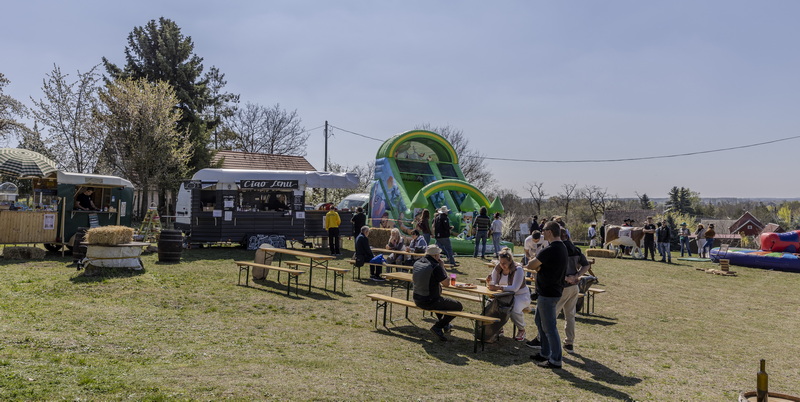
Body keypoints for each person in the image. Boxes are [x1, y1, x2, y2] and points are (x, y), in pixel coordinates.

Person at [528, 229, 592, 354]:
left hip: (561, 287)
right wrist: (577, 275)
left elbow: (554, 270)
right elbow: (586, 265)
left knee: (549, 318)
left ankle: (542, 341)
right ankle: (569, 343)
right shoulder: (575, 249)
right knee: (570, 315)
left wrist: (567, 278)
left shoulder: (557, 250)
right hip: (574, 287)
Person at [525, 221, 568, 369]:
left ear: (550, 231)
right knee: (539, 321)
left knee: (550, 328)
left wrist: (537, 265)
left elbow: (531, 265)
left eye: (544, 230)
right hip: (551, 291)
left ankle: (555, 360)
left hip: (548, 294)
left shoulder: (550, 249)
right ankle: (545, 353)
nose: (542, 232)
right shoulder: (562, 247)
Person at [412, 245, 462, 341]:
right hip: (429, 301)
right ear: (435, 255)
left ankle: (446, 325)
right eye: (439, 254)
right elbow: (446, 283)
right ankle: (438, 327)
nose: (440, 256)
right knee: (458, 306)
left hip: (417, 298)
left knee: (441, 301)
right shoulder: (435, 266)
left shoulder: (417, 262)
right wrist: (442, 267)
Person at [486, 248, 531, 341]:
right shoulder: (498, 268)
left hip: (520, 295)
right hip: (504, 295)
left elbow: (515, 288)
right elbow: (493, 283)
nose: (502, 265)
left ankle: (521, 329)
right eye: (500, 262)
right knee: (490, 304)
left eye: (504, 263)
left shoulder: (518, 269)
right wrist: (489, 282)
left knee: (514, 309)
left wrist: (498, 287)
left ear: (510, 261)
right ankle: (498, 327)